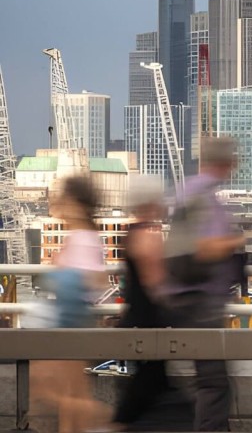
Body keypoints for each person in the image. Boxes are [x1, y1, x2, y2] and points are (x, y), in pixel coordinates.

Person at [163, 137, 246, 431]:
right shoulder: (205, 197)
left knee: (209, 381)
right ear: (225, 163)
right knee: (214, 384)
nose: (235, 165)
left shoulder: (190, 189)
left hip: (187, 297)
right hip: (200, 304)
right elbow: (206, 248)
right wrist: (236, 240)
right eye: (233, 159)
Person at [35, 175, 109, 433]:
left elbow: (96, 279)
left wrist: (62, 270)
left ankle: (108, 419)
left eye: (65, 201)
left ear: (78, 204)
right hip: (72, 320)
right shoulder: (83, 236)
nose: (62, 206)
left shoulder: (85, 238)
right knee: (70, 391)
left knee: (55, 388)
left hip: (71, 320)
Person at [113, 175, 184, 430]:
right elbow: (156, 283)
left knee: (149, 386)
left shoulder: (131, 233)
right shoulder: (149, 236)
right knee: (146, 389)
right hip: (150, 323)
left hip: (135, 320)